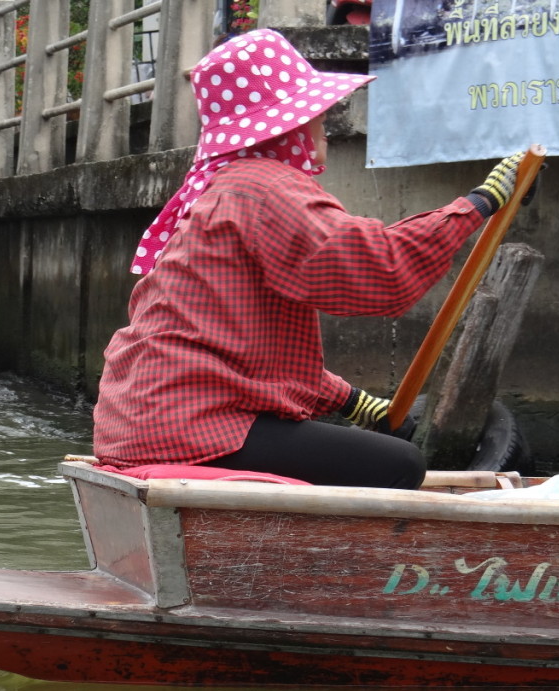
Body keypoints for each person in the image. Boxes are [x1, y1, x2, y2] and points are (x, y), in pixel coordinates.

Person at [92, 28, 525, 489]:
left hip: (143, 421)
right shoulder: (264, 186)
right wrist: (480, 203)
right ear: (289, 128)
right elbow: (379, 270)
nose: (324, 130)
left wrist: (354, 401)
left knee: (375, 454)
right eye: (316, 118)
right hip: (192, 426)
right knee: (401, 464)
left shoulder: (225, 189)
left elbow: (240, 351)